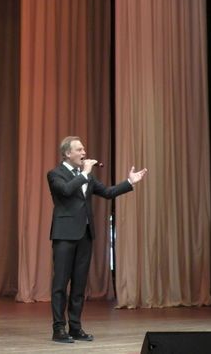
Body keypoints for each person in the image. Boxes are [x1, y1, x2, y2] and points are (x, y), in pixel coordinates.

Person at [47, 136, 147, 343]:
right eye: (79, 149)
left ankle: (75, 327)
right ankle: (59, 329)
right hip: (64, 235)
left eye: (84, 149)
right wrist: (84, 173)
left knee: (79, 284)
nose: (84, 153)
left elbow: (108, 192)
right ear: (67, 153)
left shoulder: (87, 177)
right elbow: (66, 190)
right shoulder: (56, 174)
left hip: (85, 235)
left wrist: (129, 182)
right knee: (60, 284)